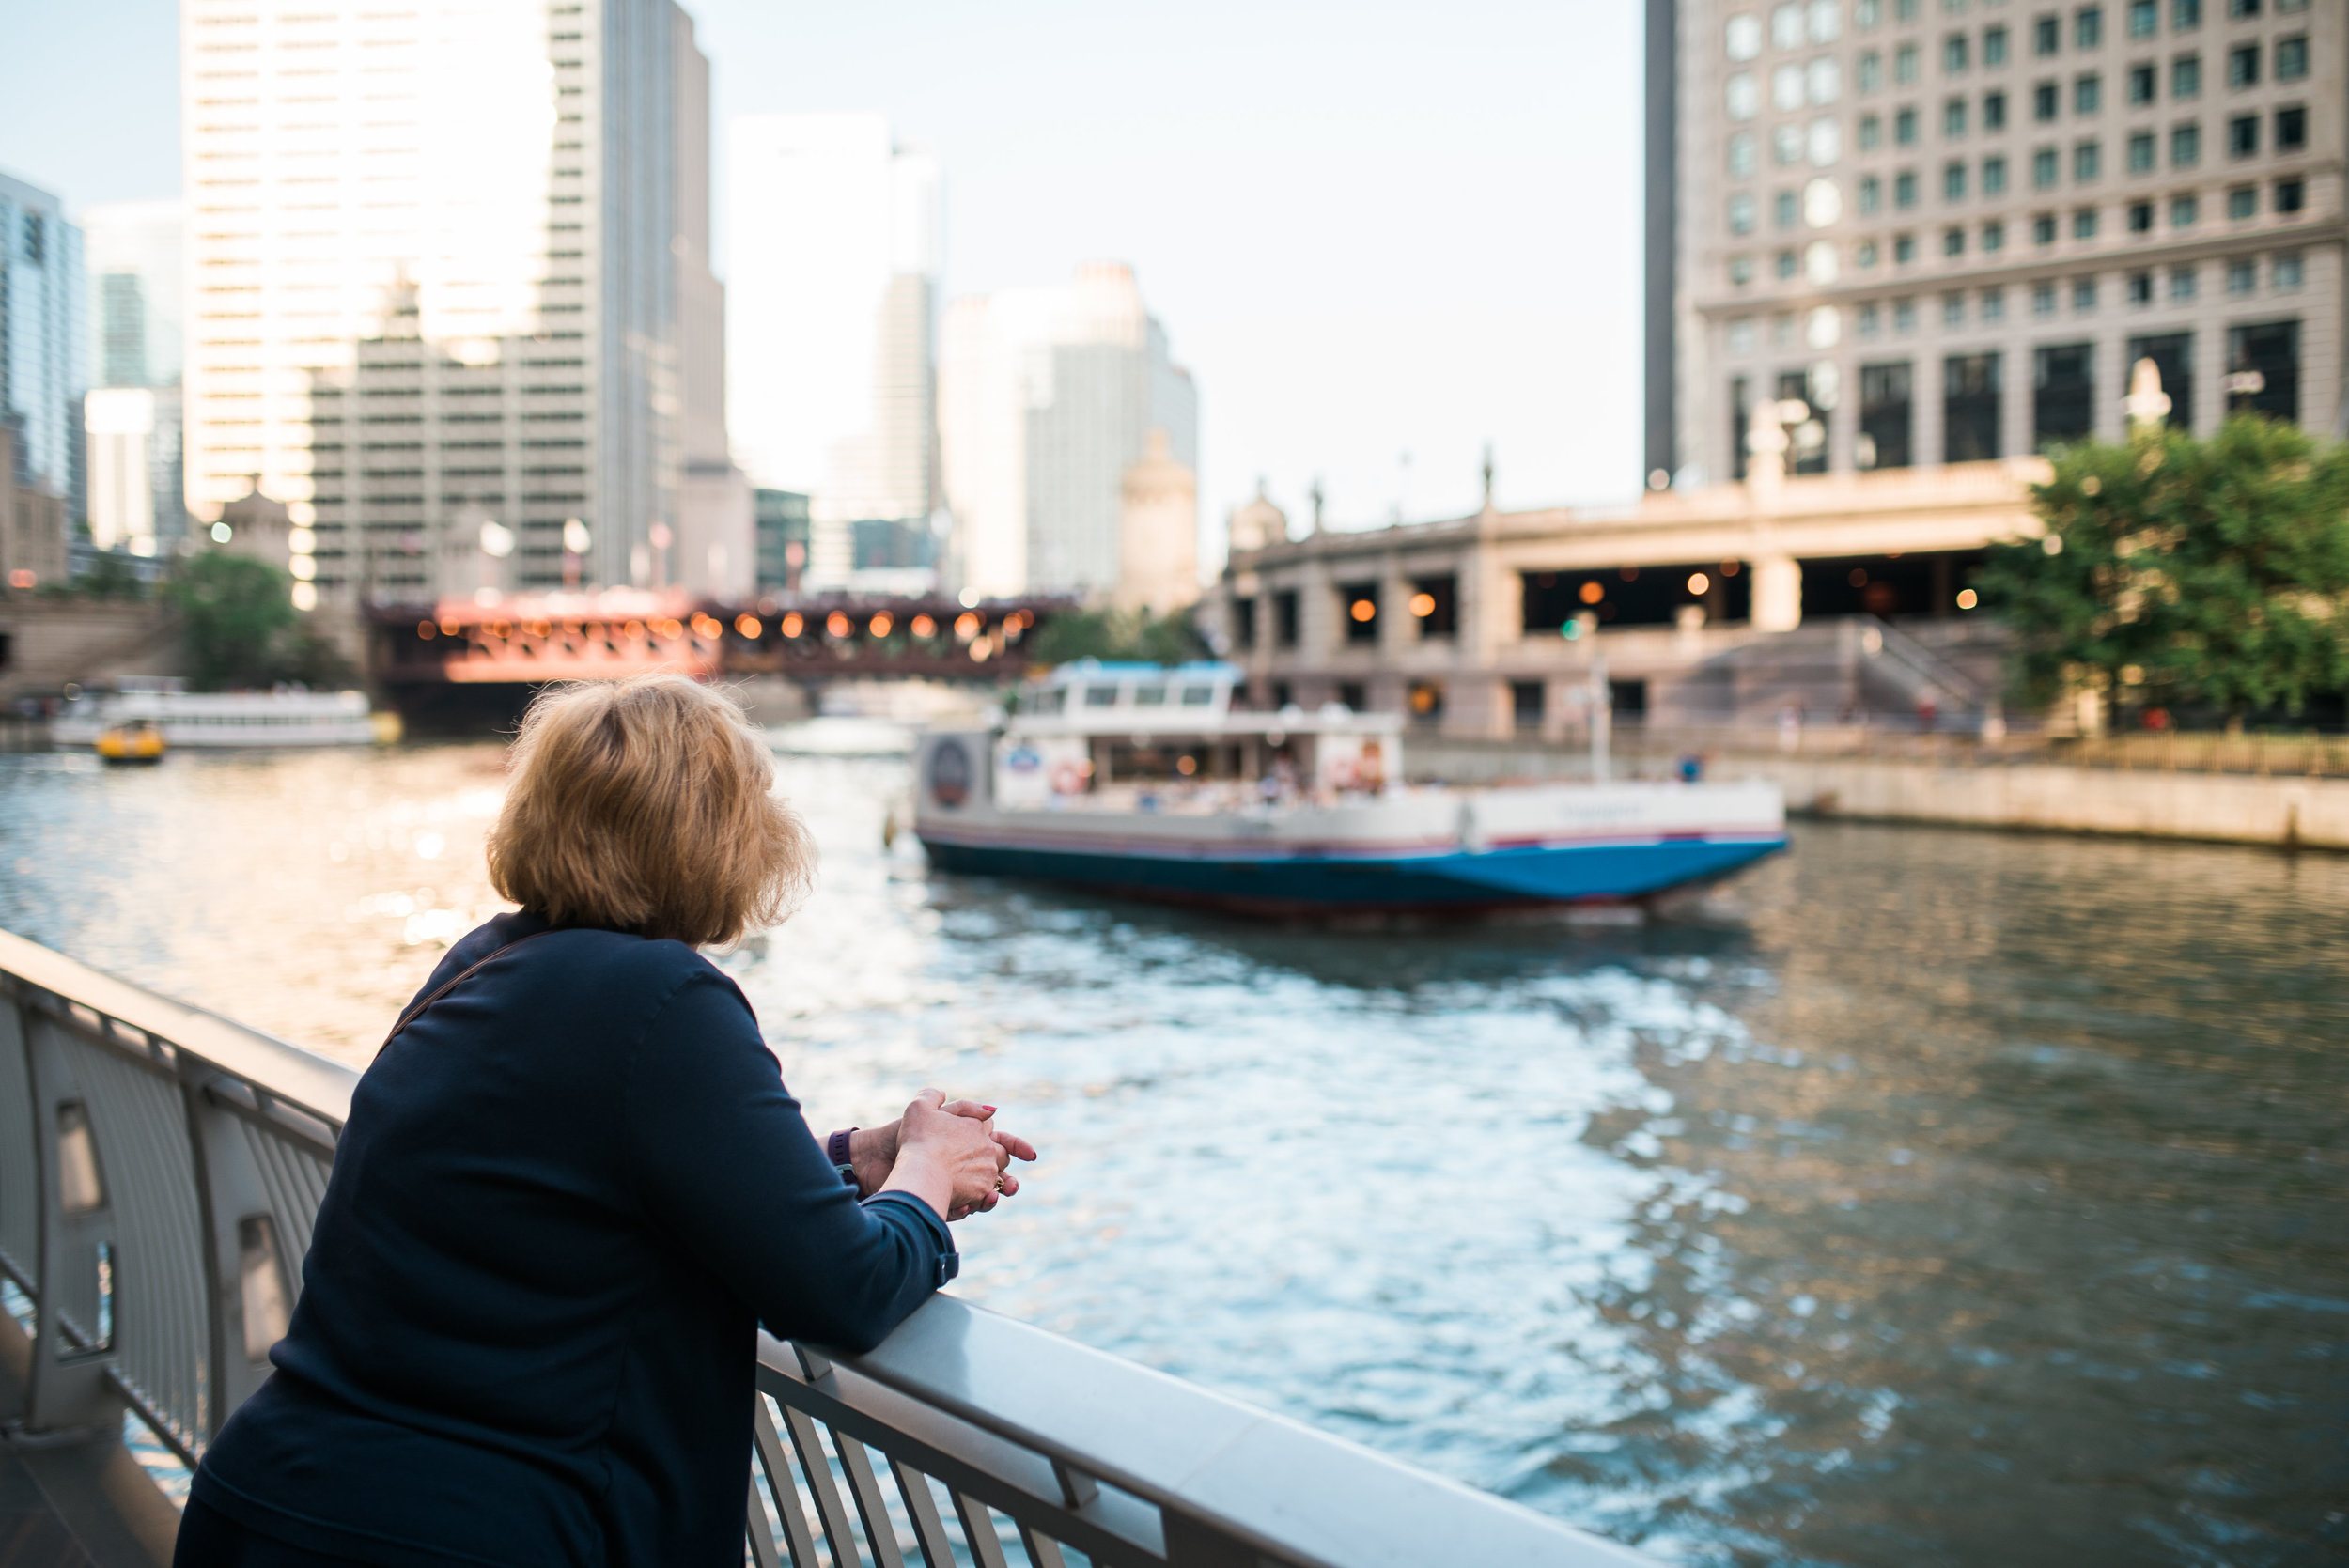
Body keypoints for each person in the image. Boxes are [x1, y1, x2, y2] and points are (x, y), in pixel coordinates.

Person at [176, 675, 1036, 1567]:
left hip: (269, 1503)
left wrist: (856, 1158)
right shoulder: (666, 998)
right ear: (721, 839)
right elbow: (842, 1292)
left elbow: (593, 1176)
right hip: (469, 1533)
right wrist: (927, 1176)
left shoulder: (482, 964)